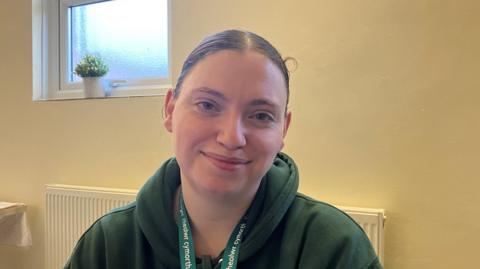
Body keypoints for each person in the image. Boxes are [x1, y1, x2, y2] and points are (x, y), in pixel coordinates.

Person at [64, 29, 383, 269]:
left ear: (283, 129)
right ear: (170, 110)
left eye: (260, 115)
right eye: (207, 105)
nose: (232, 137)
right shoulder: (108, 245)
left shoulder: (335, 247)